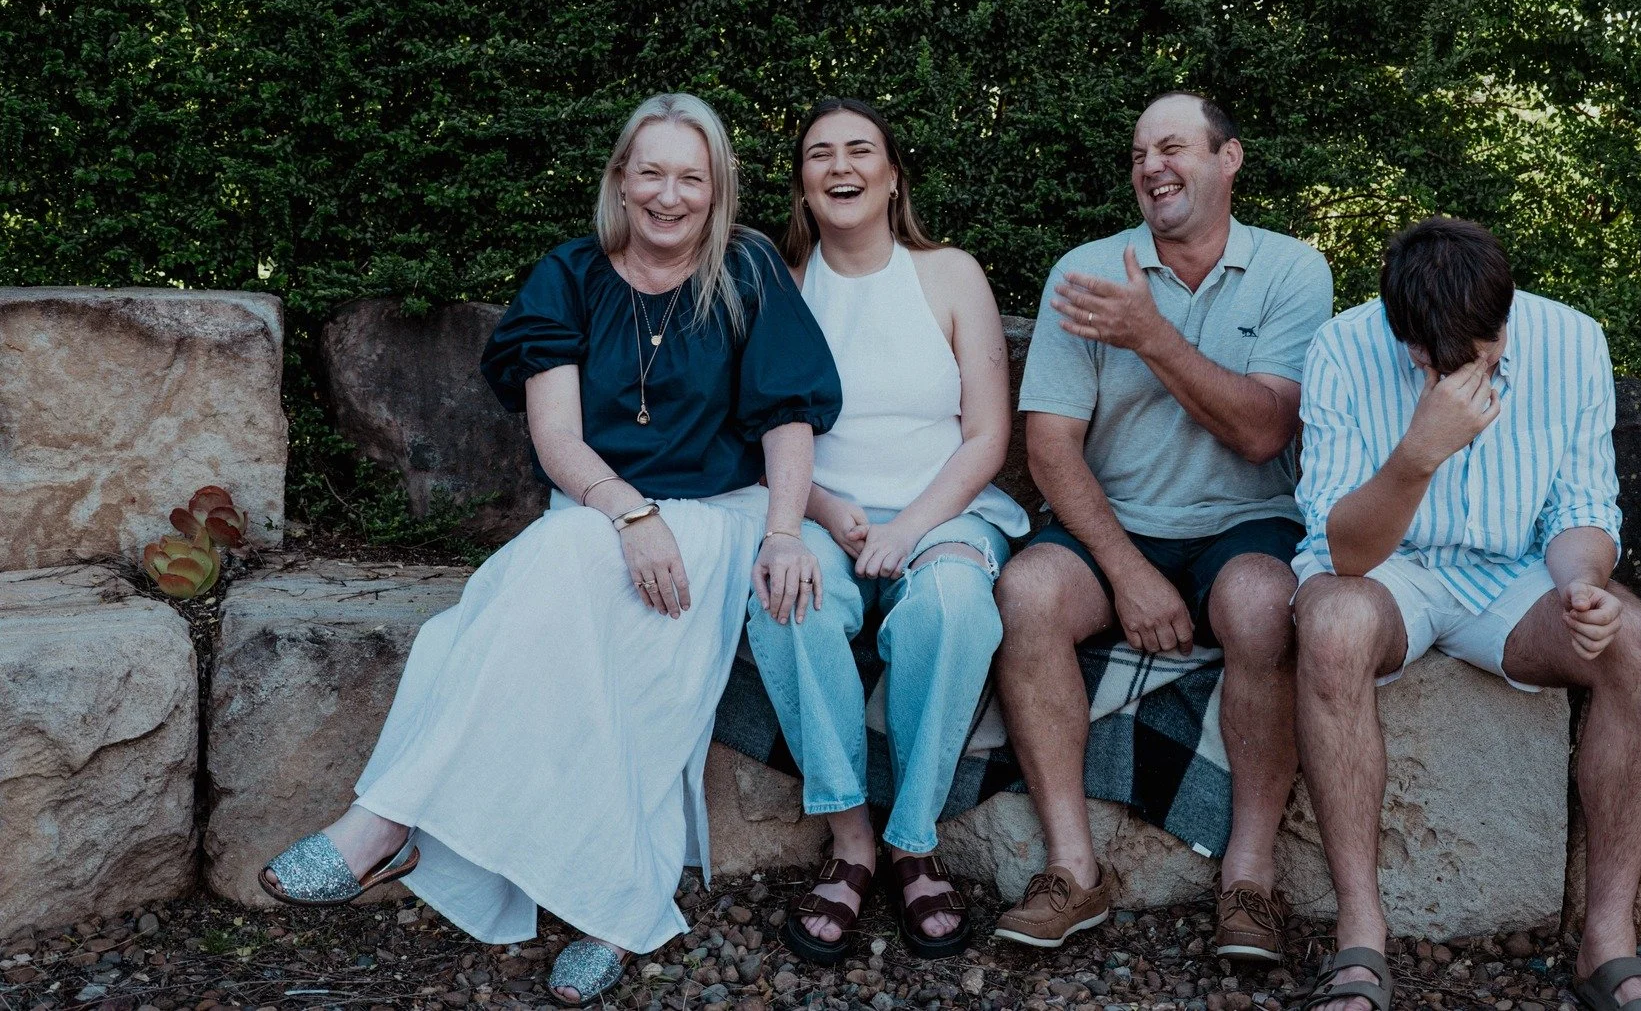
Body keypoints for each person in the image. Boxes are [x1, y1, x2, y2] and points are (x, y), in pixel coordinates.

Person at [258, 95, 842, 1007]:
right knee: (538, 585)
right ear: (619, 178)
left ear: (717, 188)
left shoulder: (750, 271)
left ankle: (385, 822)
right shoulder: (568, 276)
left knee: (541, 614)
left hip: (717, 515)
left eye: (691, 176)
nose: (669, 194)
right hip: (600, 511)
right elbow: (558, 439)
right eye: (650, 171)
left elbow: (789, 418)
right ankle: (612, 902)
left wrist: (781, 533)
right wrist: (629, 513)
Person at [1289, 217, 1641, 1011]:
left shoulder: (1573, 342)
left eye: (1477, 351)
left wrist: (1583, 584)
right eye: (1429, 358)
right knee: (1331, 627)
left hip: (1514, 577)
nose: (1451, 369)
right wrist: (1417, 454)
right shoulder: (1341, 347)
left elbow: (1582, 505)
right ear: (1404, 337)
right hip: (1389, 570)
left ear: (1504, 321)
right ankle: (1360, 938)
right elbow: (1345, 551)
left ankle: (1609, 943)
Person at [991, 91, 1333, 956]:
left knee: (1264, 607)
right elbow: (1052, 448)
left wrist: (1150, 335)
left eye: (1172, 147)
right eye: (1140, 153)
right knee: (1026, 590)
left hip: (1246, 521)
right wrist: (1126, 569)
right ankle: (1073, 871)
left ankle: (1248, 882)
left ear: (1230, 159)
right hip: (1120, 524)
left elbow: (1264, 430)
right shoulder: (1089, 268)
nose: (1151, 166)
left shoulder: (1294, 270)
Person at [746, 98, 1029, 963]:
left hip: (942, 512)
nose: (841, 165)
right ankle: (851, 840)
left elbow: (986, 435)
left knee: (954, 609)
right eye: (819, 152)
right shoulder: (777, 283)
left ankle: (912, 840)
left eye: (860, 149)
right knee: (785, 597)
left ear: (892, 171)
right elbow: (757, 428)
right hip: (826, 515)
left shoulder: (949, 275)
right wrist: (826, 514)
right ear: (801, 180)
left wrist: (908, 527)